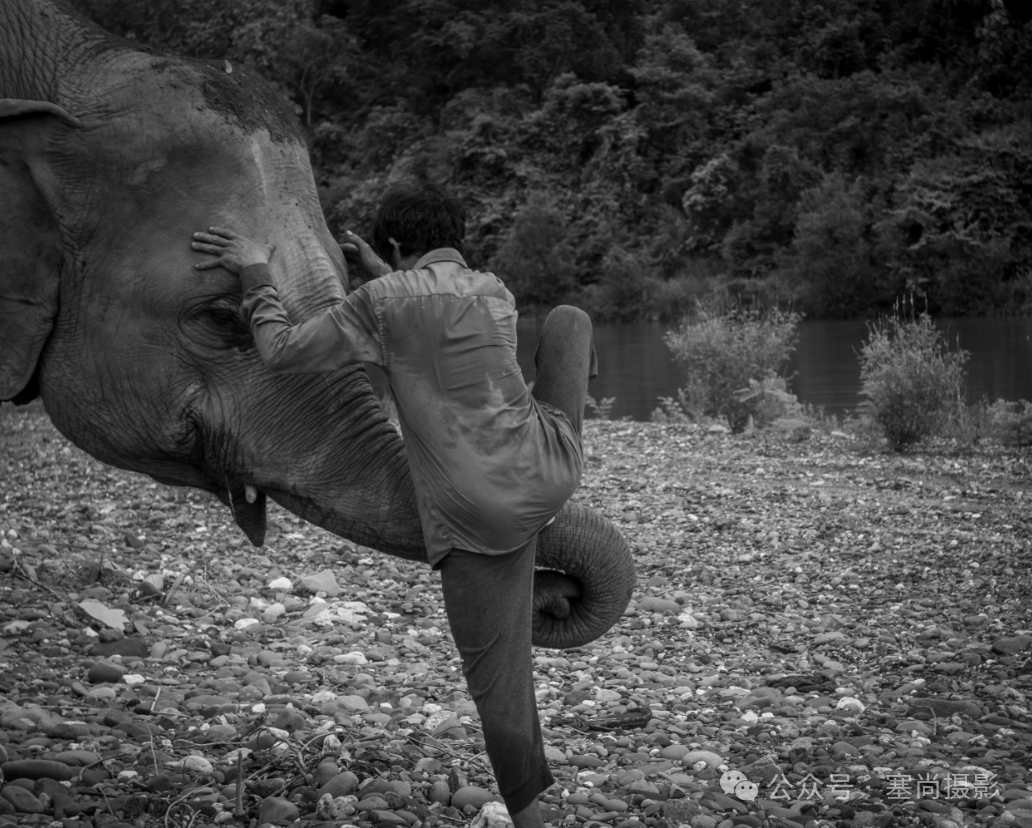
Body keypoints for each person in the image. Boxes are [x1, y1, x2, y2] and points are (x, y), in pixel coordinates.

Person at [191, 183, 596, 828]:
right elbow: (430, 311)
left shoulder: (381, 303)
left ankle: (531, 822)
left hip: (480, 512)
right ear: (455, 239)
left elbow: (281, 350)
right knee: (569, 322)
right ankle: (532, 567)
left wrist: (255, 269)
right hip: (552, 465)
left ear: (397, 245)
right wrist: (389, 274)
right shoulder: (493, 290)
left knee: (499, 683)